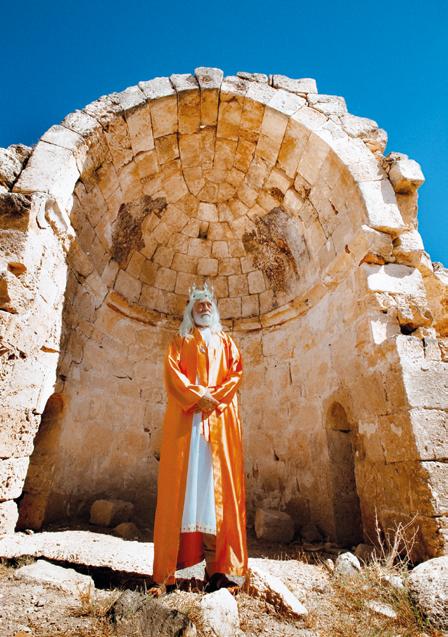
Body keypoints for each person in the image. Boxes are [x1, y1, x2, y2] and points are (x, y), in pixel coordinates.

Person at [148, 283, 248, 596]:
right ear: (190, 311)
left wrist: (212, 397)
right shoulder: (179, 341)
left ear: (214, 309)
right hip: (186, 426)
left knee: (219, 494)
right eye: (198, 304)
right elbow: (172, 373)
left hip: (218, 423)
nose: (204, 308)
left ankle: (221, 571)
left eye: (208, 304)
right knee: (181, 491)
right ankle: (165, 575)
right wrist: (197, 396)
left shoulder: (227, 342)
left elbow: (236, 373)